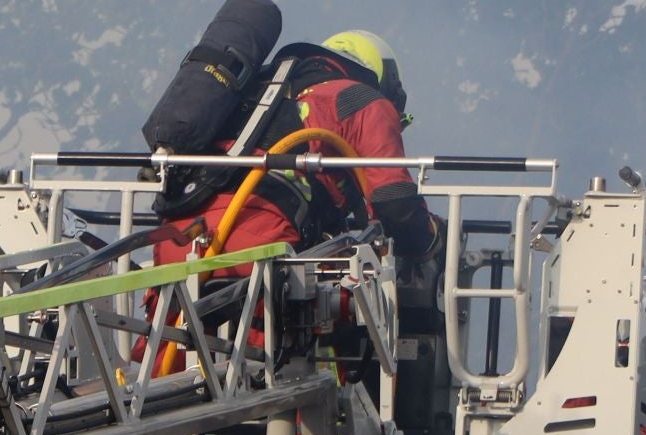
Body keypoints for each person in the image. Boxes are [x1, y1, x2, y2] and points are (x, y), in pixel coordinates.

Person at [150, 28, 439, 277]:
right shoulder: (361, 100)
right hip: (260, 246)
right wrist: (430, 239)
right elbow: (395, 205)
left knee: (163, 339)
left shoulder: (250, 92)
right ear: (385, 81)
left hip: (177, 240)